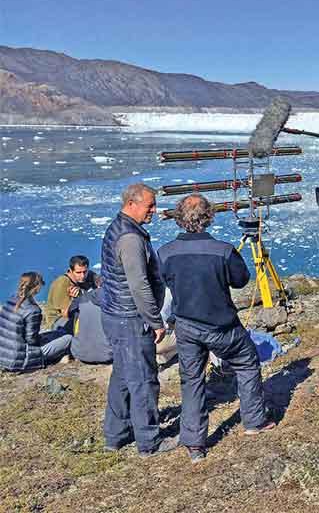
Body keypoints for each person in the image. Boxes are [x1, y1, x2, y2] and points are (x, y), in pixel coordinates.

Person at [158, 194, 274, 464]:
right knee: (246, 362)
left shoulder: (165, 253)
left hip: (186, 325)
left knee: (192, 379)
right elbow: (241, 281)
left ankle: (194, 443)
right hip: (222, 326)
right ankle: (254, 421)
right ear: (208, 217)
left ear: (179, 218)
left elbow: (160, 283)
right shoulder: (222, 250)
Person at [100, 183, 174, 457]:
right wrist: (155, 321)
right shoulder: (130, 239)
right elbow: (139, 285)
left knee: (122, 374)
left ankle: (115, 435)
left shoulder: (118, 227)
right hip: (130, 319)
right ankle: (149, 441)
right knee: (143, 379)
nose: (154, 210)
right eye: (149, 206)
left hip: (115, 314)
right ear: (132, 203)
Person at [0, 272, 72, 372]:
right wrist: (43, 339)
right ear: (37, 287)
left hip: (4, 356)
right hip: (20, 361)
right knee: (68, 338)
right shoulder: (33, 310)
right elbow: (31, 340)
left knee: (55, 333)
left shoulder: (10, 300)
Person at [42, 255, 101, 331]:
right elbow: (65, 314)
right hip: (58, 321)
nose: (82, 276)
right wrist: (77, 298)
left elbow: (100, 282)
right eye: (78, 272)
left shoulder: (88, 275)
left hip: (79, 313)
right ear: (70, 270)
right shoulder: (63, 283)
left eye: (85, 272)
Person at [70, 288, 113, 364]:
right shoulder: (116, 299)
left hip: (79, 354)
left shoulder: (81, 299)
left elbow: (70, 315)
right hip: (108, 355)